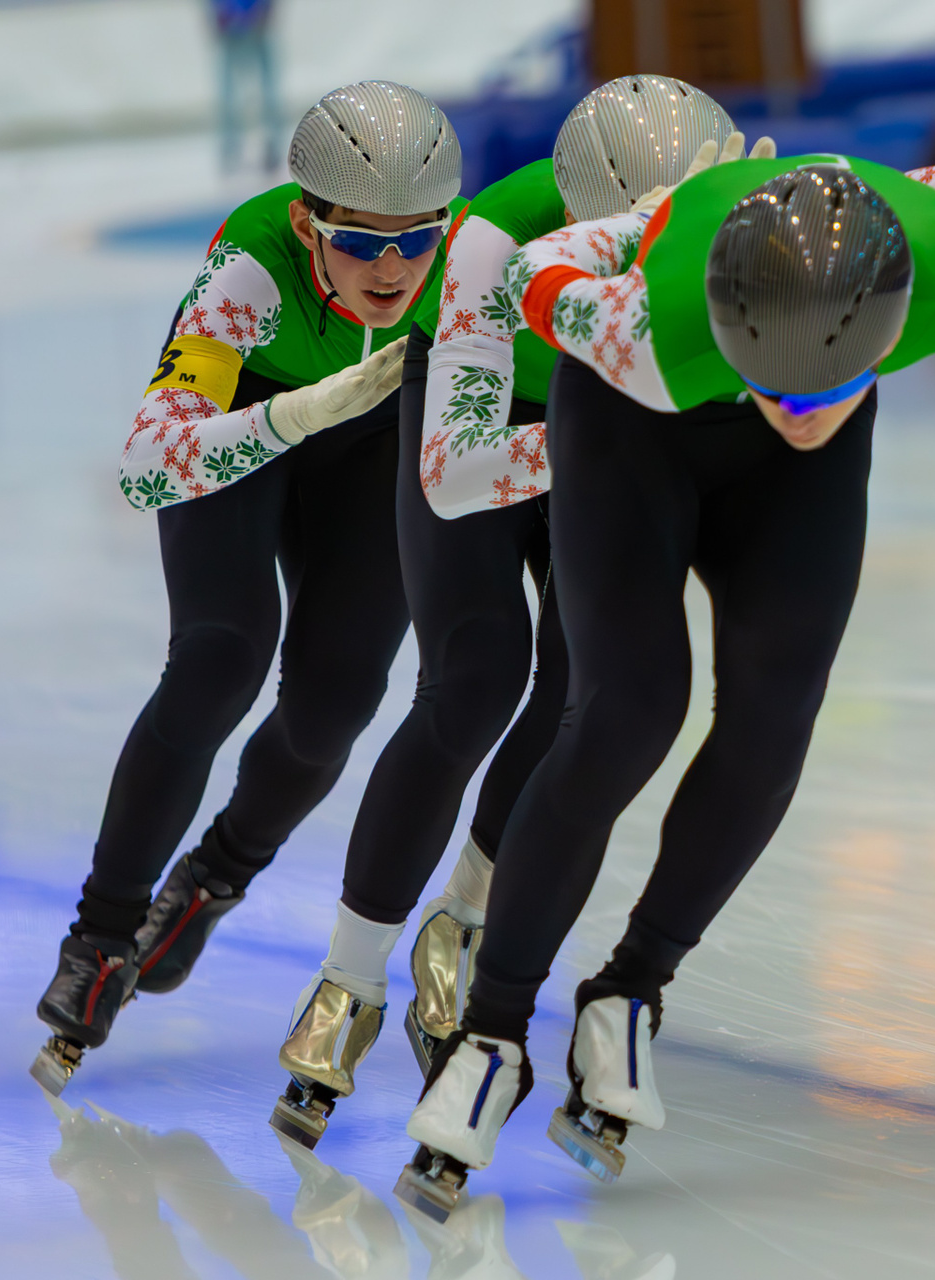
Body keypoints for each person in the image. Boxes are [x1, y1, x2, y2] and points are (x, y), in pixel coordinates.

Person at [395, 149, 935, 1217]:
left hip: (788, 475)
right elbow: (534, 267)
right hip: (636, 424)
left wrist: (855, 180)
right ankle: (492, 1033)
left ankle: (631, 989)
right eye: (776, 384)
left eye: (831, 385)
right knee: (628, 712)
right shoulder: (636, 331)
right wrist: (640, 225)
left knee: (776, 715)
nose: (801, 409)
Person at [267, 76, 737, 1150]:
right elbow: (460, 474)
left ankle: (465, 919)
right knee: (473, 680)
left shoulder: (732, 233)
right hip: (486, 416)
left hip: (606, 417)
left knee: (587, 691)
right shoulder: (489, 243)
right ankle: (348, 978)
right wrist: (607, 449)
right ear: (572, 220)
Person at [31, 81, 464, 1095]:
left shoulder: (466, 265)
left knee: (336, 702)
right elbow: (150, 466)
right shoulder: (248, 273)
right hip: (251, 419)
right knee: (219, 659)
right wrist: (291, 416)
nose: (393, 268)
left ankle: (214, 876)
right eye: (361, 243)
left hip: (375, 433)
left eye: (418, 239)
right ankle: (100, 936)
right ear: (309, 226)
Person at [210, 0, 284, 172]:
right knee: (233, 93)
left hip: (249, 20)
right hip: (236, 22)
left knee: (260, 91)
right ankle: (232, 148)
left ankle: (267, 145)